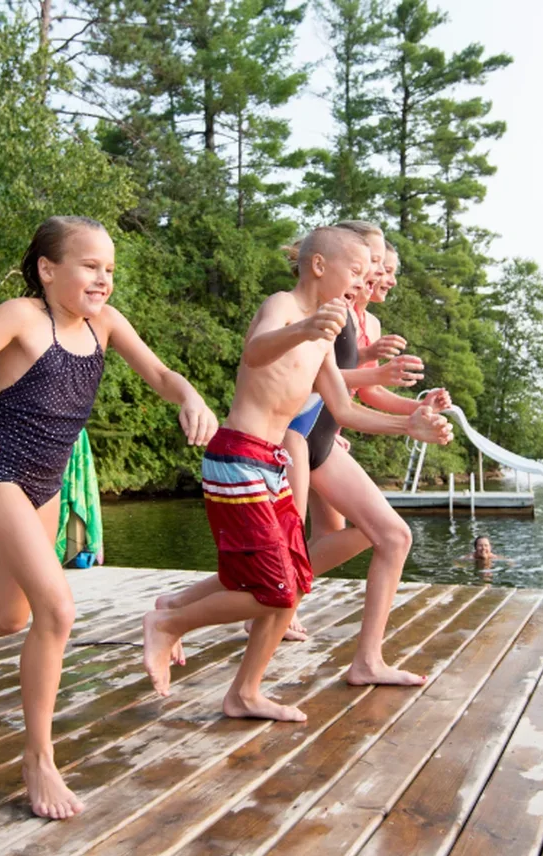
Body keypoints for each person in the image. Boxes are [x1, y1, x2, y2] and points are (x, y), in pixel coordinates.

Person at [0, 215, 217, 821]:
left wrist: (189, 396)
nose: (103, 280)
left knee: (7, 615)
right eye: (91, 266)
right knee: (57, 610)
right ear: (49, 270)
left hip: (47, 483)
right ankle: (38, 760)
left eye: (110, 270)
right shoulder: (21, 316)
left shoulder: (105, 323)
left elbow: (159, 374)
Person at [141, 225, 452, 722]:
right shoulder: (283, 307)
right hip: (237, 457)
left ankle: (244, 693)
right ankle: (169, 622)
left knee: (296, 579)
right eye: (356, 271)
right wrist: (303, 331)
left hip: (271, 464)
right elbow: (255, 352)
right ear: (320, 267)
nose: (364, 279)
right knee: (275, 590)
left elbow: (345, 411)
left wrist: (407, 423)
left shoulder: (324, 334)